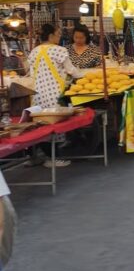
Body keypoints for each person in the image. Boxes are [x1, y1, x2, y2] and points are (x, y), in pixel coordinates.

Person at [27, 23, 86, 168]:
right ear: (51, 36)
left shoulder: (34, 51)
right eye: (58, 34)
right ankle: (52, 158)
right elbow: (72, 71)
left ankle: (40, 156)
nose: (60, 37)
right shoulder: (59, 50)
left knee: (40, 125)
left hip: (37, 94)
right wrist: (86, 74)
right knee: (55, 125)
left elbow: (29, 71)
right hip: (55, 93)